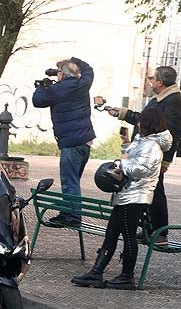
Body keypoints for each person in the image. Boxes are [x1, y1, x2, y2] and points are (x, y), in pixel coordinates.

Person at [72, 110, 172, 290]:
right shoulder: (143, 142)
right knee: (111, 234)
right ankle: (96, 272)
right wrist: (125, 144)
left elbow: (141, 169)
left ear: (149, 124)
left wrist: (120, 165)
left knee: (128, 235)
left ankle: (127, 276)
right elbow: (131, 158)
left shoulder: (152, 145)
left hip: (136, 196)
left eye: (141, 122)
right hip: (126, 194)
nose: (138, 125)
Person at [104, 65, 181, 245]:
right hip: (145, 152)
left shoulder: (173, 101)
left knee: (155, 192)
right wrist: (123, 113)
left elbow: (172, 132)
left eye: (152, 78)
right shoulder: (160, 99)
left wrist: (166, 160)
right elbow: (146, 120)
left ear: (160, 82)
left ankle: (160, 232)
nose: (150, 81)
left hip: (153, 156)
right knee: (148, 191)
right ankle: (149, 229)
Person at [31, 57, 95, 226]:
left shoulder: (56, 90)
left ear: (62, 75)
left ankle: (72, 217)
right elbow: (88, 69)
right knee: (73, 181)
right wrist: (72, 60)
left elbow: (37, 101)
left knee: (70, 181)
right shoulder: (83, 84)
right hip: (85, 142)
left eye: (59, 72)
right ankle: (68, 210)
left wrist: (42, 87)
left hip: (71, 143)